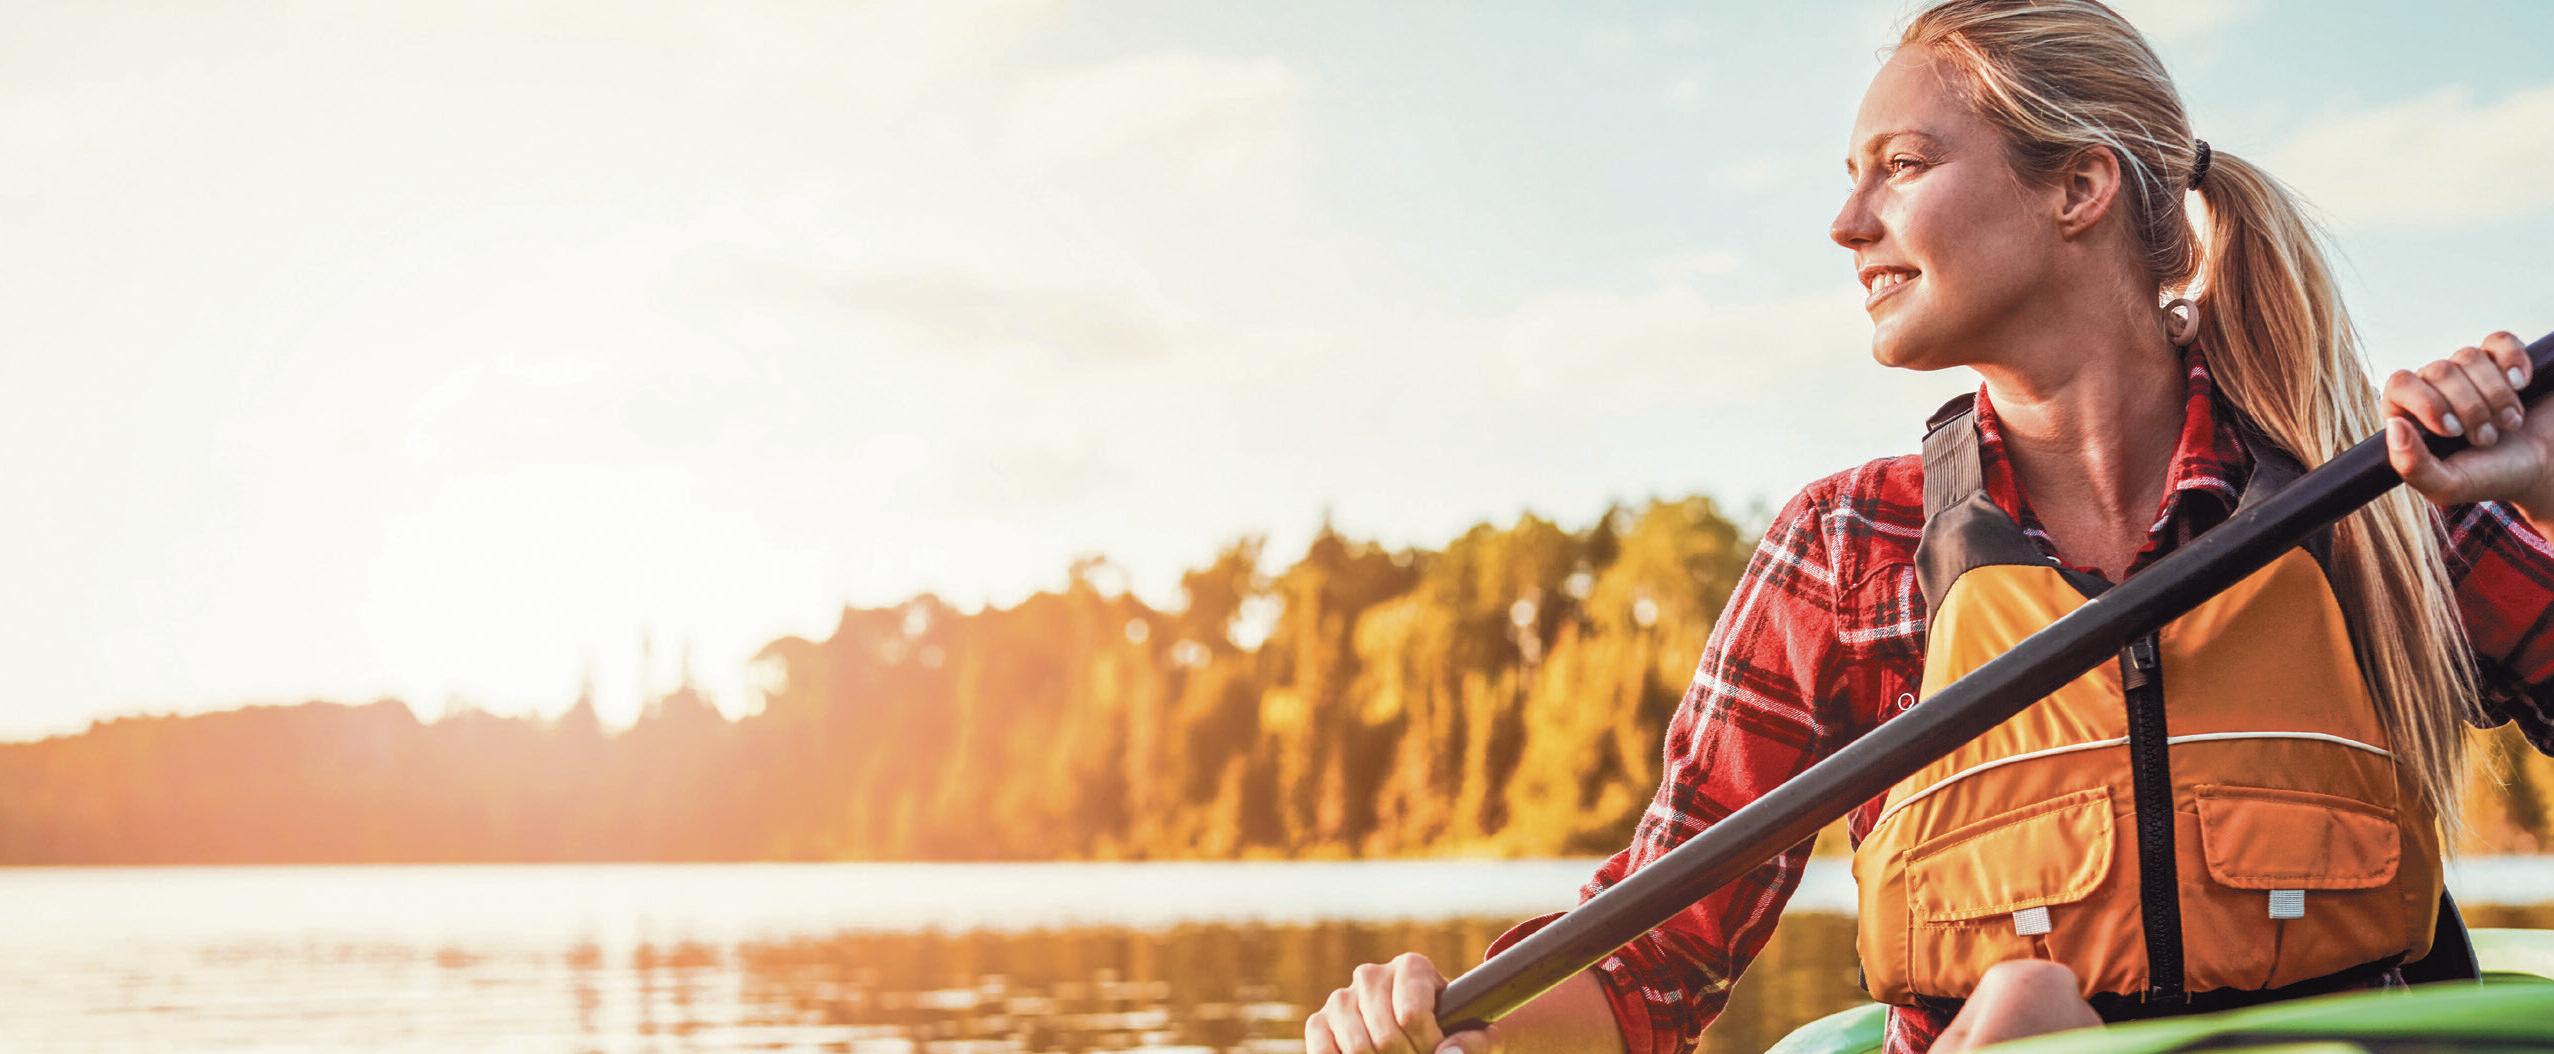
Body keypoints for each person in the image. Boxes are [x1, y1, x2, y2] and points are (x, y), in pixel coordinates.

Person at [1301, 3, 2554, 1054]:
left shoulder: (2375, 499)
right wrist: (1435, 1028)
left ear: (2077, 188)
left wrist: (2547, 494)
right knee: (2022, 1008)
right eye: (1851, 178)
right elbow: (1653, 970)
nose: (1847, 224)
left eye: (1898, 166)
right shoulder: (1847, 549)